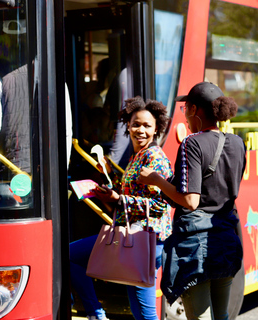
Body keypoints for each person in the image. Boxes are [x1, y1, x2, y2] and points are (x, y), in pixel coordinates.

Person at [138, 82, 246, 320]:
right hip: (226, 238)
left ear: (195, 110)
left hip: (197, 245)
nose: (185, 114)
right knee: (222, 316)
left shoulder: (192, 143)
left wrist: (156, 180)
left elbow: (190, 200)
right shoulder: (238, 143)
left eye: (185, 107)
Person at [69, 96, 173, 320]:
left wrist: (118, 199)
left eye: (147, 126)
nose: (141, 130)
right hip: (132, 238)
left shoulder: (155, 157)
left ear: (156, 130)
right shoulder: (138, 156)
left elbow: (159, 206)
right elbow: (133, 191)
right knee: (140, 312)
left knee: (146, 314)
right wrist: (110, 178)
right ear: (128, 126)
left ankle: (96, 313)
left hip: (146, 240)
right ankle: (96, 313)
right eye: (136, 124)